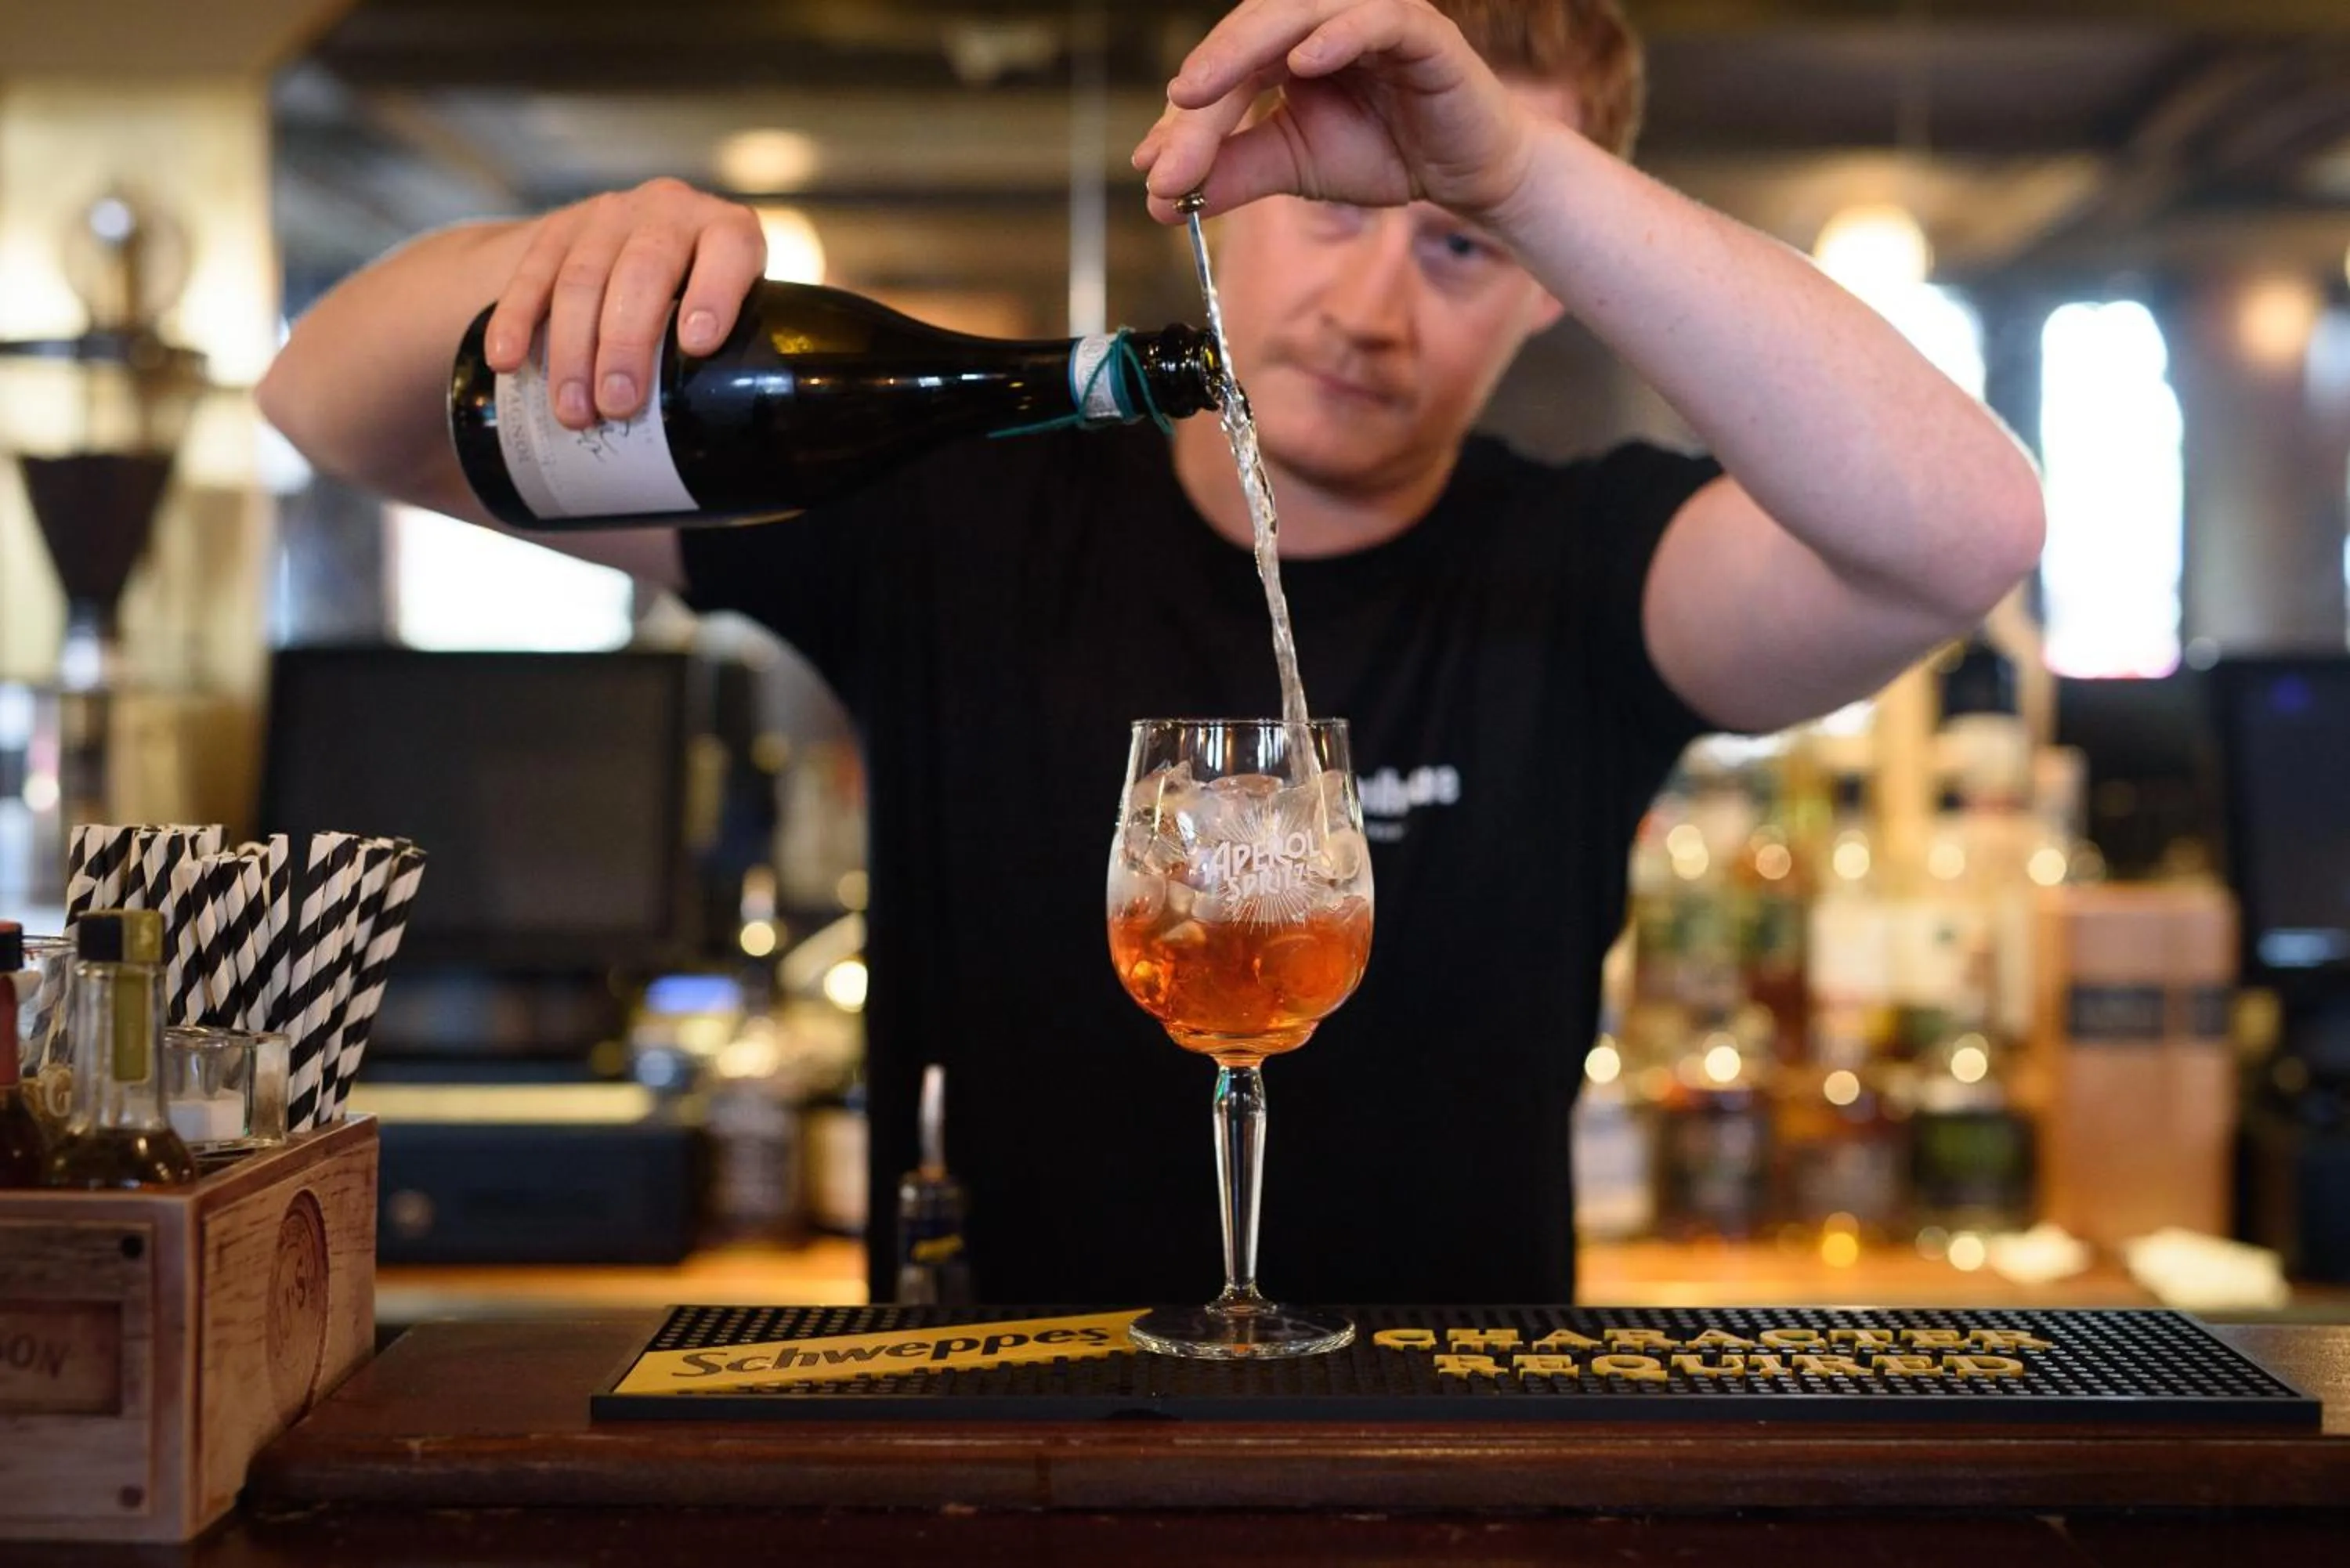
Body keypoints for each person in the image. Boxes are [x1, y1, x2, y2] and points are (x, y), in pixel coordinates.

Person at [258, 0, 2044, 1306]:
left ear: (1552, 272)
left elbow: (1965, 528)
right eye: (1336, 200)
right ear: (1223, 177)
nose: (1369, 304)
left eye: (1462, 239)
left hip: (1451, 1482)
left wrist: (1525, 167)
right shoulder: (950, 507)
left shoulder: (1589, 571)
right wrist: (559, 255)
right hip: (986, 1458)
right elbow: (339, 408)